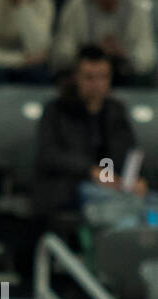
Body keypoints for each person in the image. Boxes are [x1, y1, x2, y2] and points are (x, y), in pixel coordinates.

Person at [34, 46, 146, 217]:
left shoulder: (116, 111)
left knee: (149, 203)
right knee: (117, 205)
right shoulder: (56, 110)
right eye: (89, 78)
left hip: (115, 186)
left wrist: (135, 179)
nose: (97, 84)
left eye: (103, 77)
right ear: (76, 78)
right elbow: (49, 155)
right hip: (70, 188)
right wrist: (91, 171)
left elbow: (128, 150)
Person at [51, 0, 156, 83]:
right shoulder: (77, 7)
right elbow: (62, 49)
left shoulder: (136, 10)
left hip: (125, 72)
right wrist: (93, 52)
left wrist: (125, 55)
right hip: (85, 69)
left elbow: (147, 54)